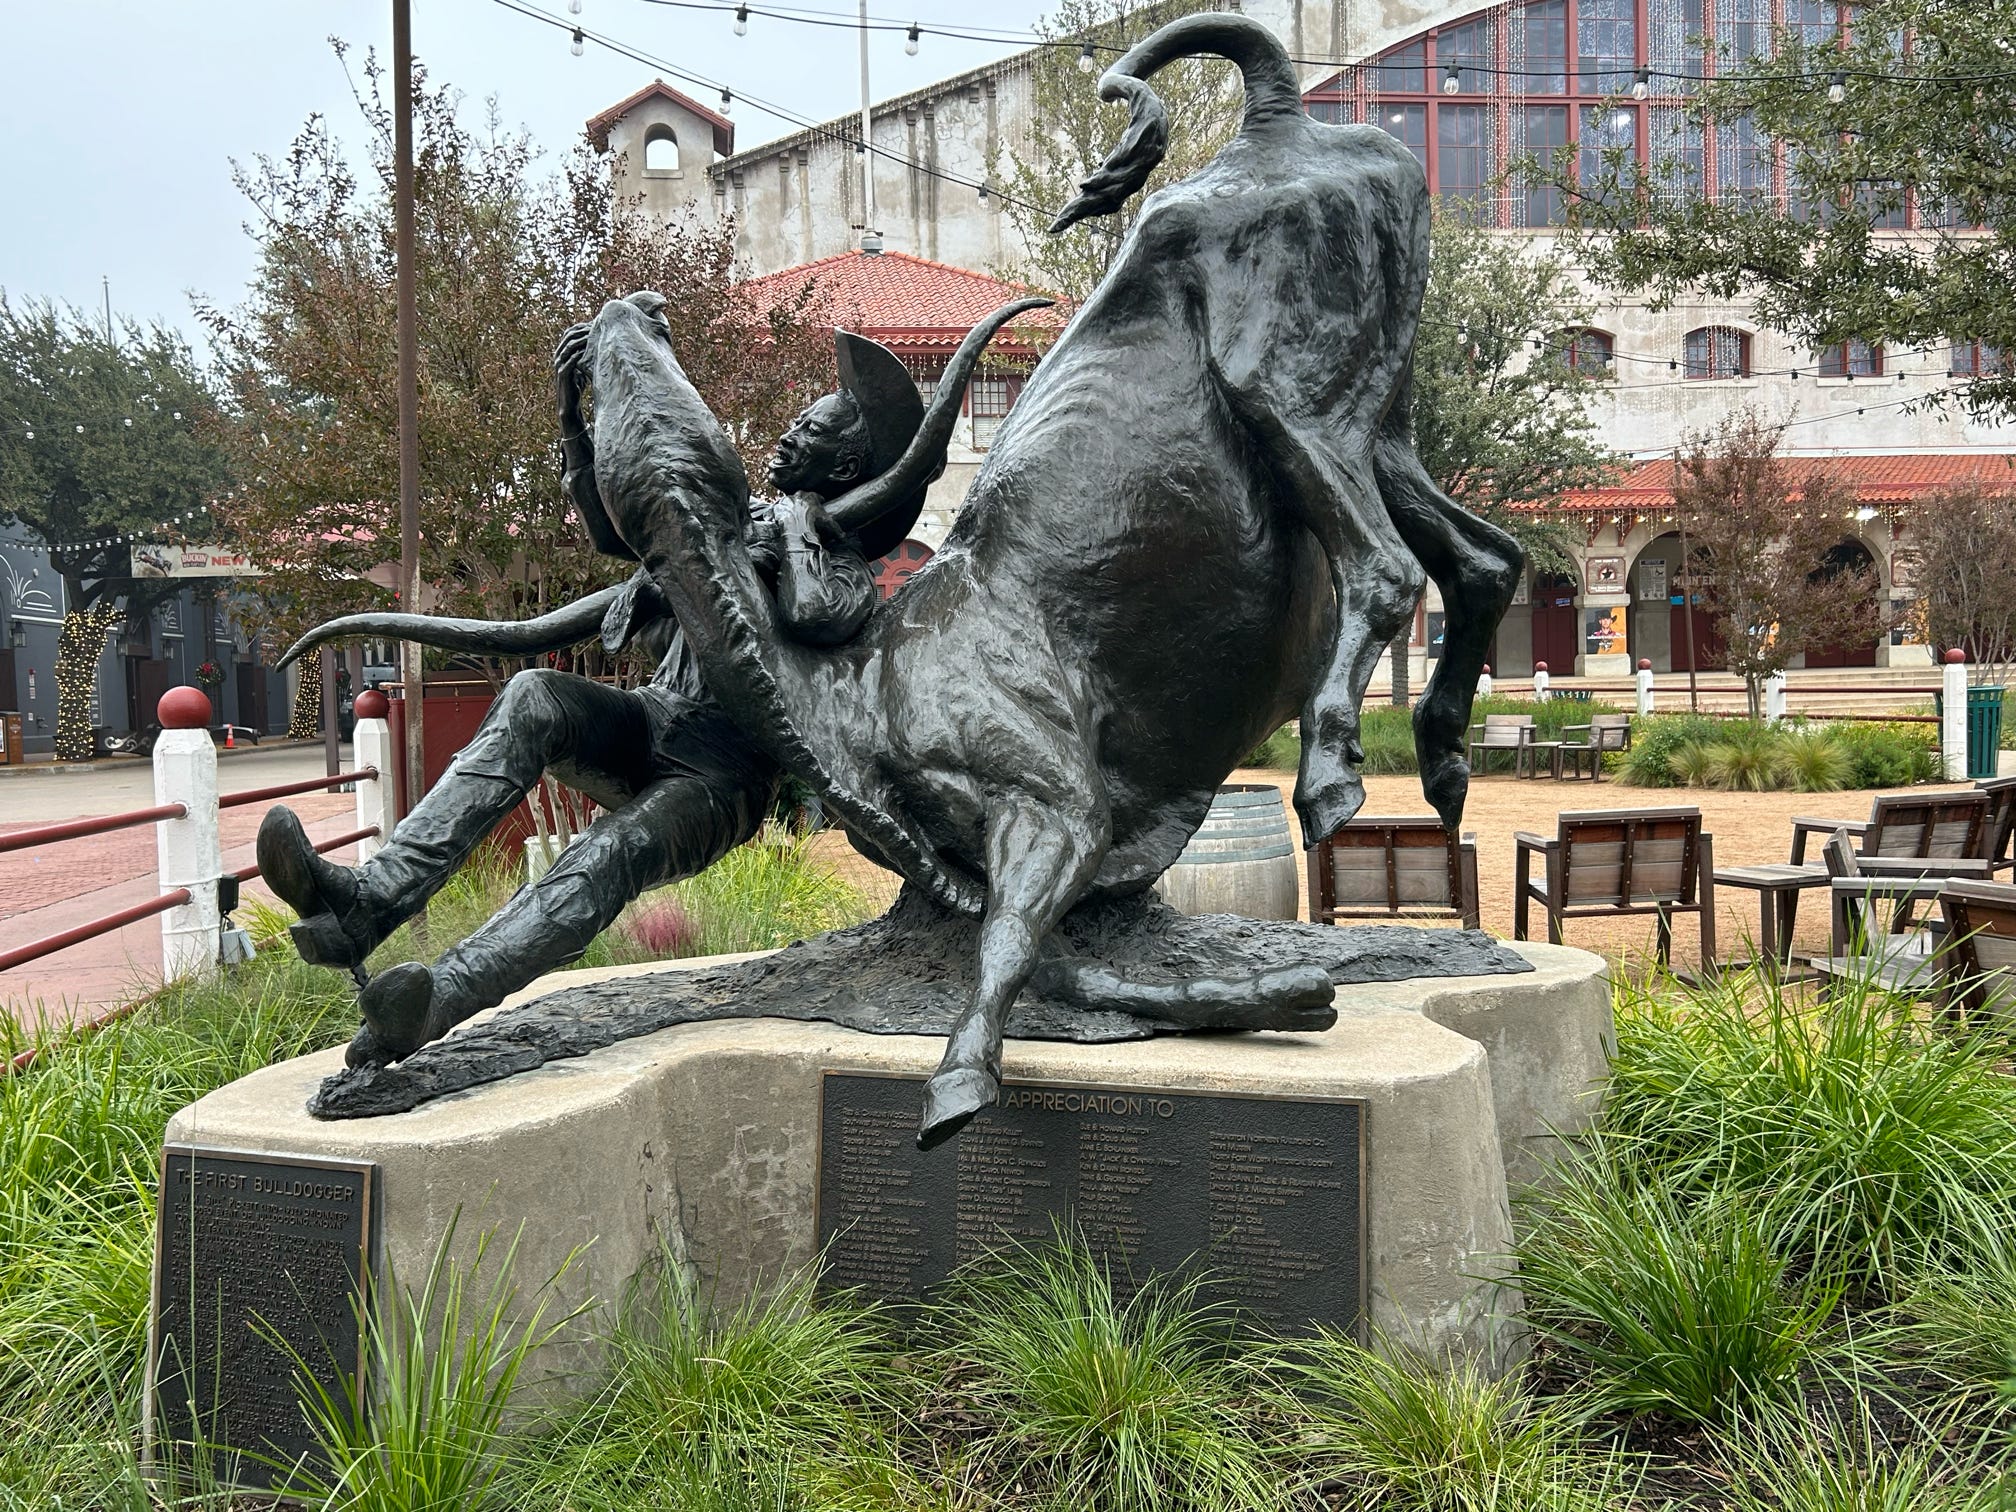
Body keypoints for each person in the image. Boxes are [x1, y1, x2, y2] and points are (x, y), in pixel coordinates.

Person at [258, 314, 936, 1067]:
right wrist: (573, 417)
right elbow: (615, 533)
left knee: (613, 851)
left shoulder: (841, 567)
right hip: (650, 720)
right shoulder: (722, 521)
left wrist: (801, 531)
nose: (789, 435)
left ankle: (435, 1001)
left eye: (810, 430)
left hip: (723, 778)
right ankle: (368, 900)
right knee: (535, 694)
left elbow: (813, 614)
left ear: (845, 466)